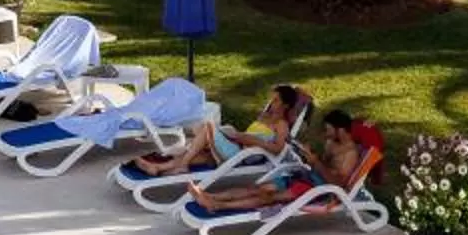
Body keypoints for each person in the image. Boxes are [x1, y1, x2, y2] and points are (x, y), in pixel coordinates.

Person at [187, 108, 382, 216]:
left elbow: (339, 183)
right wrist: (309, 156)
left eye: (329, 129)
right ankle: (209, 197)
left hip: (317, 189)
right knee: (257, 188)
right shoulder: (332, 143)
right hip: (305, 177)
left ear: (340, 130)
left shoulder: (351, 154)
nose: (326, 133)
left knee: (269, 198)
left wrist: (316, 162)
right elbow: (323, 164)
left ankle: (219, 206)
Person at [126, 82, 307, 177]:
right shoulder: (264, 117)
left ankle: (182, 164)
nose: (271, 103)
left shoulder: (280, 124)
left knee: (206, 127)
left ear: (285, 105)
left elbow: (277, 148)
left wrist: (252, 140)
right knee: (201, 152)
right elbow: (247, 134)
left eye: (275, 100)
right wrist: (237, 135)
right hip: (236, 146)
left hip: (241, 155)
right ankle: (159, 168)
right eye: (272, 99)